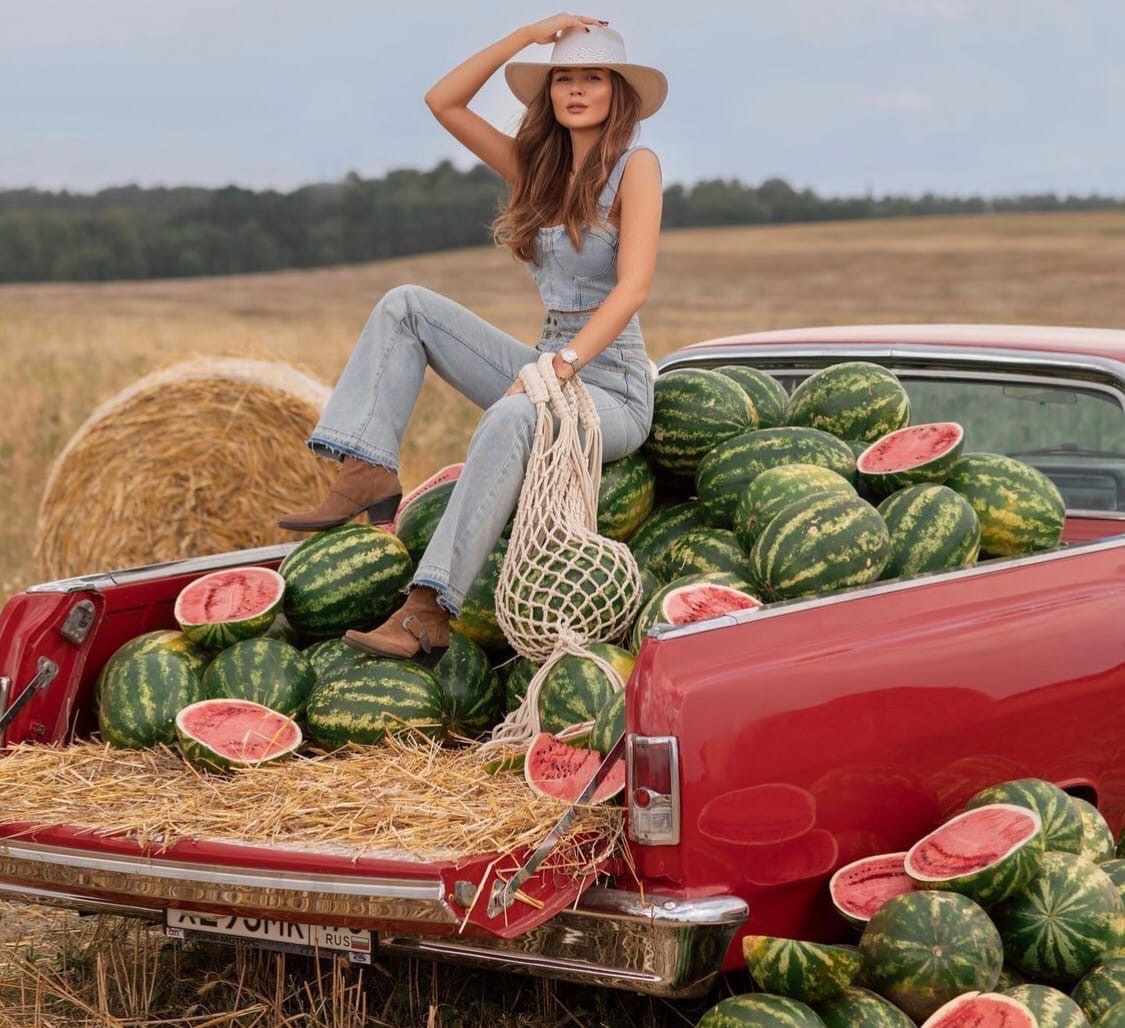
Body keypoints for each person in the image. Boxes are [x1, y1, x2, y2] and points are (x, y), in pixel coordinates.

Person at [279, 13, 667, 663]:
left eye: (591, 77)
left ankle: (428, 607)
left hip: (611, 388)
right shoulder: (535, 171)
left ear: (615, 93)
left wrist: (563, 368)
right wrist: (526, 38)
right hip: (549, 361)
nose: (574, 89)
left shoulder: (637, 167)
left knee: (518, 412)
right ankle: (364, 469)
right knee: (407, 306)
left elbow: (632, 288)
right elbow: (444, 101)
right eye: (561, 78)